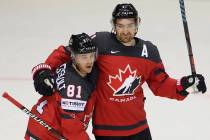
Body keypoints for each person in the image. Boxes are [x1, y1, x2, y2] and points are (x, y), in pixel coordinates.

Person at [31, 3, 207, 140]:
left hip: (139, 127)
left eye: (130, 25)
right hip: (107, 130)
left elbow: (160, 84)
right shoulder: (100, 41)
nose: (126, 30)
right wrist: (43, 70)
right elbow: (68, 51)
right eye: (121, 25)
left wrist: (184, 85)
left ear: (138, 24)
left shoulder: (149, 51)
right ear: (113, 25)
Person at [25, 33, 98, 140]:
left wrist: (42, 70)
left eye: (92, 55)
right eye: (84, 57)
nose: (90, 61)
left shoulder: (67, 63)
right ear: (74, 57)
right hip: (45, 135)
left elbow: (64, 51)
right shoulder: (74, 89)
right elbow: (72, 129)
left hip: (41, 125)